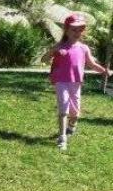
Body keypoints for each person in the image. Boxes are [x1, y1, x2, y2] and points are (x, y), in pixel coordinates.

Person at [43, 14, 110, 150]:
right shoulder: (60, 46)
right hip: (61, 82)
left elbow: (92, 64)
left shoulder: (83, 48)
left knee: (75, 113)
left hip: (76, 83)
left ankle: (71, 126)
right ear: (66, 30)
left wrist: (104, 71)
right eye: (74, 29)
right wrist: (52, 52)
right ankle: (62, 138)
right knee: (64, 109)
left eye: (80, 29)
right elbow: (44, 59)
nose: (77, 32)